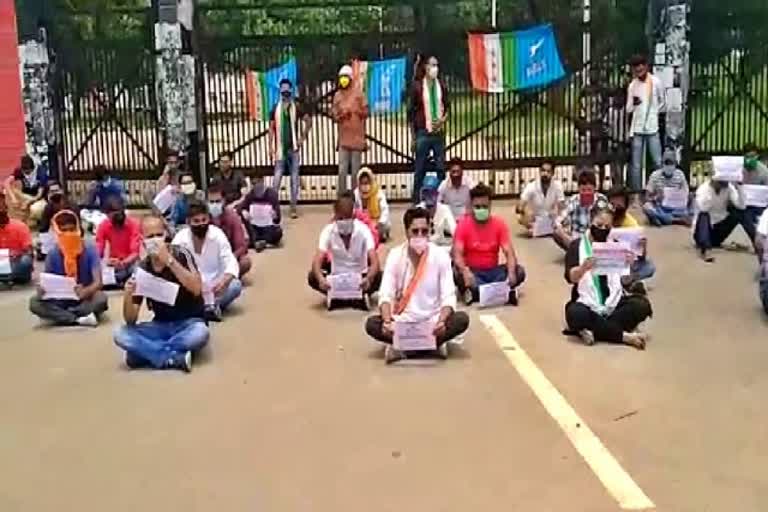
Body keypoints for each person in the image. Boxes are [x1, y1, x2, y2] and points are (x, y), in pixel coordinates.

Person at [365, 207, 470, 363]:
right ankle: (432, 346)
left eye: (424, 231)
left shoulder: (440, 255)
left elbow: (448, 296)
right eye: (415, 231)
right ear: (407, 232)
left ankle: (403, 349)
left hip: (433, 322)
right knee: (372, 324)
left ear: (429, 232)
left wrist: (441, 321)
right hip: (402, 323)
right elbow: (385, 294)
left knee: (461, 319)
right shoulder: (395, 255)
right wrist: (387, 322)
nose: (420, 236)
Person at [113, 214, 209, 372]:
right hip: (160, 325)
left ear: (166, 235)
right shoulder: (142, 268)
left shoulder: (181, 254)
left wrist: (169, 261)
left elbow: (197, 289)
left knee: (200, 333)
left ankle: (149, 352)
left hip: (188, 323)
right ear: (142, 240)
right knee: (120, 333)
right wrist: (128, 296)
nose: (156, 240)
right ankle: (171, 357)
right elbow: (131, 319)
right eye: (150, 236)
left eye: (159, 235)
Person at [564, 203, 652, 349]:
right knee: (575, 313)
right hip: (587, 303)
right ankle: (623, 336)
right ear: (591, 221)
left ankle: (594, 329)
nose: (602, 230)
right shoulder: (577, 246)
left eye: (607, 227)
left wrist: (629, 265)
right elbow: (570, 277)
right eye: (599, 225)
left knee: (641, 305)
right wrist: (583, 268)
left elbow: (624, 281)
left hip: (613, 304)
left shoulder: (616, 245)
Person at [29, 210, 108, 327]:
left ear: (77, 229)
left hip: (84, 298)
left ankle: (63, 317)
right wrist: (42, 290)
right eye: (64, 230)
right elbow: (46, 281)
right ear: (57, 231)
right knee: (34, 302)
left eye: (71, 229)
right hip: (59, 299)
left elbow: (98, 282)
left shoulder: (90, 249)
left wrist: (87, 291)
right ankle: (77, 319)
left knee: (101, 299)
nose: (69, 234)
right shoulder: (53, 253)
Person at [453, 183, 526, 306]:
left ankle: (479, 294)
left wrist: (511, 272)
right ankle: (502, 293)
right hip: (473, 272)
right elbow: (457, 254)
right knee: (457, 274)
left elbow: (509, 252)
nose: (481, 210)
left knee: (519, 271)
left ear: (490, 206)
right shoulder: (463, 225)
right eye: (477, 207)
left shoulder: (499, 224)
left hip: (493, 272)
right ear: (471, 206)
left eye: (484, 207)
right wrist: (465, 271)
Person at [308, 192, 381, 309]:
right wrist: (321, 279)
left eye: (347, 217)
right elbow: (317, 260)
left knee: (379, 276)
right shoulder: (328, 231)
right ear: (335, 216)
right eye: (340, 218)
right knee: (312, 277)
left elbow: (375, 261)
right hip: (337, 276)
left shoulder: (363, 230)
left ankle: (342, 298)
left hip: (359, 275)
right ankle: (354, 298)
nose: (344, 221)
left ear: (353, 215)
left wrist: (369, 278)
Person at [173, 200, 242, 321]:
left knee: (235, 286)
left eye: (204, 220)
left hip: (215, 287)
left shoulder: (217, 235)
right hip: (192, 289)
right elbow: (173, 268)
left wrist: (225, 281)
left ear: (209, 219)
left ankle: (205, 308)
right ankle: (208, 309)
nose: (201, 224)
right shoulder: (180, 239)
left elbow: (230, 260)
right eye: (196, 221)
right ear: (188, 222)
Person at [409, 55, 450, 202]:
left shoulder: (442, 85)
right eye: (432, 65)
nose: (435, 68)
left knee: (440, 167)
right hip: (423, 132)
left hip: (438, 133)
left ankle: (441, 198)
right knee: (420, 167)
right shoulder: (418, 87)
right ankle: (416, 200)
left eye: (436, 65)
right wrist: (413, 137)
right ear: (425, 67)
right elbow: (411, 113)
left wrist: (442, 120)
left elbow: (447, 107)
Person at [270, 78, 312, 219]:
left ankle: (293, 207)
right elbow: (271, 129)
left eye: (287, 93)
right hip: (280, 149)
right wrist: (270, 146)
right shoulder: (275, 108)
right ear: (280, 92)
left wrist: (302, 138)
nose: (285, 95)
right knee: (276, 180)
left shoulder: (296, 107)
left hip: (293, 149)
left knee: (294, 178)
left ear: (291, 92)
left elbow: (308, 121)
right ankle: (273, 207)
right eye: (283, 93)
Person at [626, 54, 664, 194]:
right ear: (634, 70)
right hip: (637, 128)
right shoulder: (632, 86)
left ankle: (658, 190)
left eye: (641, 66)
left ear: (646, 66)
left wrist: (654, 113)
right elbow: (628, 108)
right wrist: (634, 104)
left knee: (657, 161)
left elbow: (662, 102)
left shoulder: (655, 82)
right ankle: (636, 193)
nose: (639, 69)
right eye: (636, 67)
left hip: (652, 128)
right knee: (636, 164)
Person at [693, 178, 752, 262]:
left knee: (739, 213)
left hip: (719, 230)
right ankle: (705, 249)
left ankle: (758, 243)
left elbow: (741, 206)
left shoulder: (729, 188)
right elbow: (703, 208)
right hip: (702, 232)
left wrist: (740, 186)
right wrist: (712, 189)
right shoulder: (703, 189)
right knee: (704, 215)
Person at [333, 64, 369, 196]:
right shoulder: (337, 96)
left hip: (357, 139)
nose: (343, 80)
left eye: (345, 77)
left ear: (350, 78)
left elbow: (366, 112)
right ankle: (341, 196)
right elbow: (334, 115)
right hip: (343, 139)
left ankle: (355, 197)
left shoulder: (359, 94)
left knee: (355, 171)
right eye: (341, 78)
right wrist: (342, 115)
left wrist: (356, 111)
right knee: (342, 170)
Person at [606, 186, 656, 281]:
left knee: (649, 267)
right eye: (612, 205)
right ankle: (626, 280)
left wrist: (643, 247)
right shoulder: (602, 217)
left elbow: (640, 256)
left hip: (624, 262)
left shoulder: (631, 224)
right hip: (604, 260)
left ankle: (628, 279)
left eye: (619, 206)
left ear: (625, 206)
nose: (615, 209)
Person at [553, 168, 607, 250]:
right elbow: (560, 219)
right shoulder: (573, 200)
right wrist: (561, 229)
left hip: (594, 237)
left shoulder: (601, 200)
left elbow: (607, 220)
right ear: (578, 189)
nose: (586, 193)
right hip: (576, 237)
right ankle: (576, 250)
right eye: (583, 190)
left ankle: (582, 251)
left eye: (589, 190)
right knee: (557, 233)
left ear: (595, 188)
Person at [95, 196, 141, 288]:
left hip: (130, 263)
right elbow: (98, 249)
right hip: (114, 265)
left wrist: (123, 263)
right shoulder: (103, 225)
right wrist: (107, 262)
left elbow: (135, 252)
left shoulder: (133, 224)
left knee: (138, 271)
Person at [207, 181, 252, 277]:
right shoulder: (203, 218)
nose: (214, 205)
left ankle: (228, 277)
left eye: (218, 201)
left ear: (224, 201)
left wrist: (229, 259)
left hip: (229, 256)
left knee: (245, 262)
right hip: (207, 259)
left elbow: (241, 246)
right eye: (211, 202)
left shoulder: (232, 216)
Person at [643, 149, 692, 226]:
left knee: (692, 201)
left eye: (671, 163)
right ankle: (674, 220)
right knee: (647, 207)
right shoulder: (655, 175)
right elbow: (646, 197)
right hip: (660, 207)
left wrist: (681, 195)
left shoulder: (680, 174)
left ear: (675, 164)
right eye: (666, 163)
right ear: (662, 164)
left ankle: (661, 219)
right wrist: (656, 197)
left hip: (677, 208)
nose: (669, 166)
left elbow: (686, 192)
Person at [518, 160, 565, 237]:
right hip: (536, 218)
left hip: (551, 218)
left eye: (548, 171)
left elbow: (562, 207)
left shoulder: (558, 185)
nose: (545, 174)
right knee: (520, 217)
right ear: (539, 171)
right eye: (543, 171)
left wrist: (557, 214)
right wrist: (526, 212)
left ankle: (544, 229)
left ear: (553, 173)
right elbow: (519, 206)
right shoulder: (532, 186)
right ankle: (535, 228)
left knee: (562, 219)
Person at [239, 174, 283, 251]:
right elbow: (241, 208)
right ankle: (261, 242)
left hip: (268, 226)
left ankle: (259, 242)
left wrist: (275, 215)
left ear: (262, 181)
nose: (255, 185)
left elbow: (278, 218)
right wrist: (244, 212)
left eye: (257, 182)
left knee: (278, 233)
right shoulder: (250, 195)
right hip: (254, 226)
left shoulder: (272, 194)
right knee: (245, 233)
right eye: (253, 183)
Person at [0, 189, 34, 284]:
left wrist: (16, 255)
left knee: (26, 261)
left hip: (16, 262)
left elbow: (29, 252)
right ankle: (7, 278)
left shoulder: (20, 226)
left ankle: (6, 278)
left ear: (6, 209)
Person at [353, 167, 390, 242]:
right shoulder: (356, 193)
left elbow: (385, 210)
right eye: (362, 183)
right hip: (362, 222)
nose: (365, 186)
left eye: (367, 183)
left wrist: (379, 222)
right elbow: (353, 210)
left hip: (377, 222)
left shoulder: (378, 193)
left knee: (382, 228)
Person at [10, 155, 49, 227]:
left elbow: (39, 195)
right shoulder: (19, 170)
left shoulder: (41, 172)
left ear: (33, 169)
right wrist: (13, 198)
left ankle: (36, 220)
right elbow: (7, 183)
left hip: (39, 199)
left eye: (28, 172)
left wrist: (28, 202)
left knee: (35, 209)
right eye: (24, 172)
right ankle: (23, 220)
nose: (26, 174)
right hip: (25, 196)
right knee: (11, 192)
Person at [419, 175, 456, 247]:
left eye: (432, 192)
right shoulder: (418, 210)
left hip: (443, 247)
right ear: (422, 194)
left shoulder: (445, 209)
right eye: (426, 192)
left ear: (437, 194)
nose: (429, 196)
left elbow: (454, 232)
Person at [741, 143, 768, 232]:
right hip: (741, 202)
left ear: (757, 156)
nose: (750, 160)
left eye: (752, 156)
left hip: (758, 204)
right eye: (747, 157)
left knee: (746, 216)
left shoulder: (763, 171)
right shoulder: (739, 168)